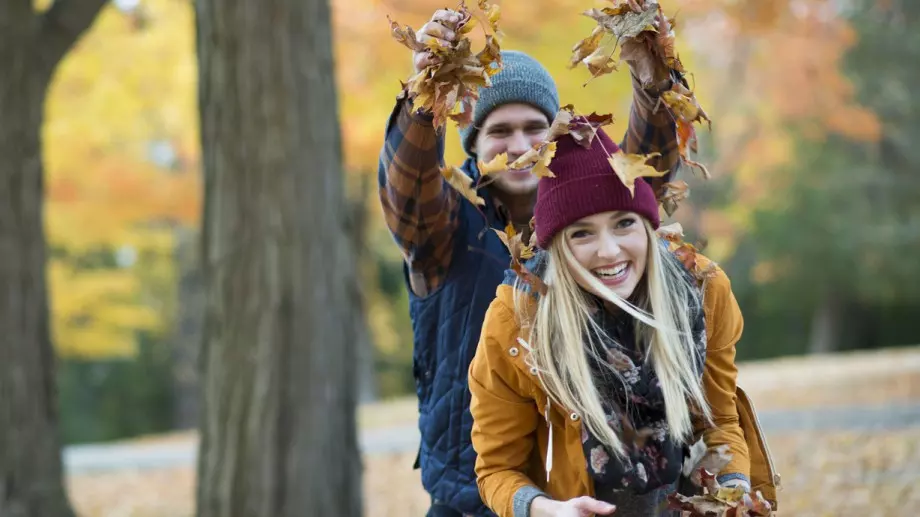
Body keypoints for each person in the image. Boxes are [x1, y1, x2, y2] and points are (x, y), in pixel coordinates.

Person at [377, 8, 685, 517]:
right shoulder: (447, 232)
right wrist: (426, 94)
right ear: (474, 145)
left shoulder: (591, 226)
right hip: (472, 501)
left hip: (590, 498)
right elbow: (406, 188)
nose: (519, 146)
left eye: (533, 128)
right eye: (500, 131)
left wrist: (654, 79)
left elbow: (643, 178)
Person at [466, 126, 777, 517]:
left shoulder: (701, 293)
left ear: (647, 225)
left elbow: (717, 423)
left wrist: (731, 493)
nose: (609, 251)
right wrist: (546, 510)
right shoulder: (518, 322)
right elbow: (496, 469)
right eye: (581, 234)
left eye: (624, 223)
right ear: (558, 248)